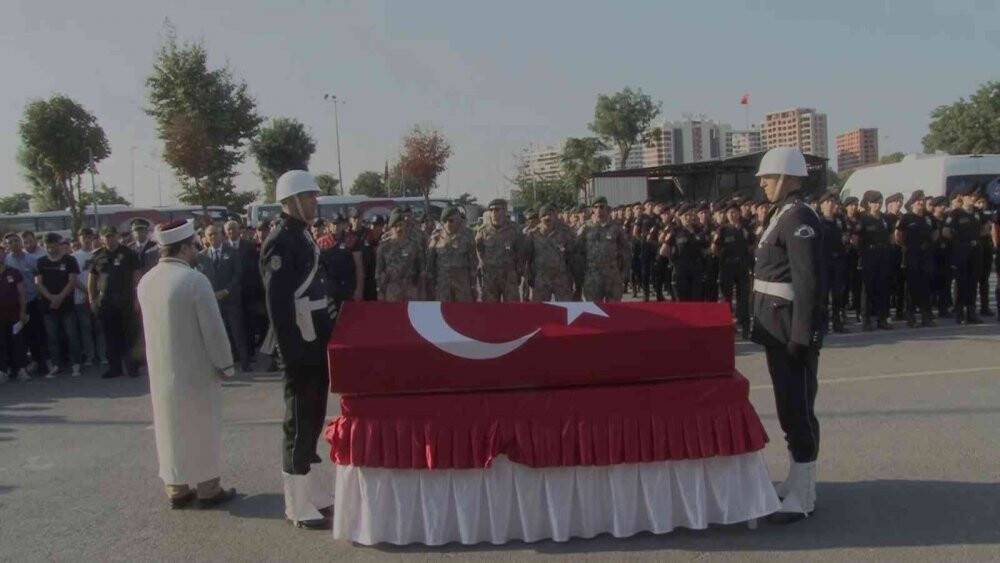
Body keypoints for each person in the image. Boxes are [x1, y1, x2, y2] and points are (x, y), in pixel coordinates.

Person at [138, 219, 237, 510]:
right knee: (201, 427)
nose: (198, 250)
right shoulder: (194, 280)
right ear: (183, 248)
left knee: (169, 429)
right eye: (195, 245)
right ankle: (208, 488)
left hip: (160, 371)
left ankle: (176, 487)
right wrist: (226, 364)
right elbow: (213, 329)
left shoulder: (147, 281)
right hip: (194, 370)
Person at [749, 147, 824, 524]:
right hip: (777, 326)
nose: (761, 183)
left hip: (790, 327)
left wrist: (802, 335)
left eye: (767, 177)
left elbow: (808, 281)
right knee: (788, 410)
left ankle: (804, 495)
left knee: (798, 411)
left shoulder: (799, 217)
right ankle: (796, 482)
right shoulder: (782, 214)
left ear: (787, 178)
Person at [261, 170, 336, 530]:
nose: (313, 203)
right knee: (298, 420)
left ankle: (314, 494)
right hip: (299, 343)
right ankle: (296, 504)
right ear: (289, 202)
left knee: (313, 417)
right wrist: (290, 353)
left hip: (315, 338)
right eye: (307, 197)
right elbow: (278, 305)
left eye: (314, 197)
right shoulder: (280, 241)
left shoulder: (302, 235)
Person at [88, 226, 141, 379]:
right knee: (110, 337)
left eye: (111, 236)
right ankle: (115, 368)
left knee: (130, 336)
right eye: (106, 236)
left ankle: (133, 367)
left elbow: (137, 277)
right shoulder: (97, 256)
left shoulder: (129, 253)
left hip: (126, 301)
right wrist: (91, 299)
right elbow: (92, 280)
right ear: (102, 238)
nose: (109, 239)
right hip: (106, 302)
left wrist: (138, 299)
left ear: (117, 236)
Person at [198, 224, 251, 371]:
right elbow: (200, 278)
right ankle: (224, 364)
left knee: (238, 332)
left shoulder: (232, 252)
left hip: (231, 300)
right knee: (218, 334)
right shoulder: (201, 256)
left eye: (216, 234)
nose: (213, 237)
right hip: (212, 301)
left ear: (222, 235)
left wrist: (227, 290)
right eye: (210, 235)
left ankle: (245, 364)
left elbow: (238, 275)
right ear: (206, 238)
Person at [35, 233, 82, 378]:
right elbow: (38, 283)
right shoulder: (41, 261)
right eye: (47, 245)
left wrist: (60, 297)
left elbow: (72, 281)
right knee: (52, 337)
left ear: (59, 244)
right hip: (48, 306)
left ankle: (76, 364)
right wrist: (51, 298)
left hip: (66, 304)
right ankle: (56, 365)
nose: (50, 248)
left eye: (53, 245)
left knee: (72, 335)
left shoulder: (70, 260)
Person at [5, 232, 46, 373]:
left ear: (20, 242)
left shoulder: (32, 259)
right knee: (20, 336)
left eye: (16, 241)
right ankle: (21, 365)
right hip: (15, 305)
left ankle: (41, 362)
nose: (13, 244)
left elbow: (40, 279)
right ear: (6, 245)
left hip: (32, 301)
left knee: (36, 333)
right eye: (10, 242)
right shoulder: (6, 261)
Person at [942, 189, 983, 324]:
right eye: (970, 195)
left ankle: (971, 312)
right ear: (963, 197)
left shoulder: (977, 213)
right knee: (961, 282)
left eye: (975, 196)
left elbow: (984, 229)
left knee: (973, 282)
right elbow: (945, 232)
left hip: (975, 251)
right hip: (961, 251)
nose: (973, 198)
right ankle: (959, 312)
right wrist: (959, 241)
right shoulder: (955, 213)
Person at [896, 191, 936, 327]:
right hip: (912, 255)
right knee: (912, 287)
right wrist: (905, 246)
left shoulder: (928, 217)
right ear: (913, 202)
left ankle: (926, 316)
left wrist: (930, 243)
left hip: (926, 256)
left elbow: (935, 232)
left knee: (926, 286)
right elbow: (898, 234)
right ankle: (911, 316)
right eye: (918, 200)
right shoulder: (907, 218)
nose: (920, 202)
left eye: (922, 200)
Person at [578, 197, 629, 302]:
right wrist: (580, 273)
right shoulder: (586, 228)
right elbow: (577, 251)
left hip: (612, 274)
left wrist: (623, 272)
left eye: (601, 207)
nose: (598, 210)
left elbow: (626, 250)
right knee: (593, 311)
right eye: (595, 207)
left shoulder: (616, 227)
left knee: (614, 310)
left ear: (607, 209)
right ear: (592, 210)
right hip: (592, 275)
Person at [475, 199, 526, 302]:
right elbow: (479, 251)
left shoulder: (515, 230)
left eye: (497, 210)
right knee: (490, 312)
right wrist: (483, 267)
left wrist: (518, 272)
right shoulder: (483, 231)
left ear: (505, 211)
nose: (494, 213)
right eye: (491, 210)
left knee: (511, 311)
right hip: (490, 278)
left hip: (509, 276)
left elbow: (521, 253)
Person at [525, 204, 578, 301]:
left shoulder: (565, 233)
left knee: (564, 310)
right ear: (540, 218)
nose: (547, 217)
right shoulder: (532, 235)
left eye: (550, 214)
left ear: (555, 217)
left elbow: (572, 256)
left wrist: (572, 277)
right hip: (541, 279)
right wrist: (529, 278)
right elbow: (527, 259)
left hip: (561, 278)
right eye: (544, 215)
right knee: (541, 311)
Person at [857, 191, 893, 330]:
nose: (877, 205)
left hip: (883, 254)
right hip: (869, 255)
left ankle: (882, 318)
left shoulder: (885, 219)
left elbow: (891, 236)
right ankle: (866, 320)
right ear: (869, 204)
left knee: (883, 287)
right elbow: (857, 239)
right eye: (875, 202)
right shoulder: (864, 219)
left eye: (879, 202)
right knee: (868, 289)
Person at [715, 202, 753, 336]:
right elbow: (716, 249)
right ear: (726, 215)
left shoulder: (746, 228)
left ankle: (746, 326)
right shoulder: (722, 230)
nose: (732, 214)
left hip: (742, 267)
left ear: (739, 213)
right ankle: (728, 325)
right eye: (729, 212)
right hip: (727, 267)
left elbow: (752, 246)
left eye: (735, 212)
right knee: (727, 299)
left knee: (743, 298)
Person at [427, 206, 478, 302]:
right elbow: (430, 262)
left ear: (458, 220)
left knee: (463, 313)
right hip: (443, 285)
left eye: (451, 221)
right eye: (444, 221)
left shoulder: (468, 235)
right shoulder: (436, 235)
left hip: (462, 284)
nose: (447, 224)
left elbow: (473, 261)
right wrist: (431, 285)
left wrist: (473, 285)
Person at [375, 210, 424, 302]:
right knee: (393, 315)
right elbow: (378, 272)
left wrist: (421, 289)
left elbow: (421, 268)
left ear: (405, 225)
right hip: (392, 288)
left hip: (410, 288)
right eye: (395, 226)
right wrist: (379, 291)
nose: (398, 228)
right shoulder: (384, 247)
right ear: (390, 228)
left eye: (401, 225)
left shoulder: (414, 245)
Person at [818, 193, 848, 333]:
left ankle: (837, 322)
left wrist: (845, 240)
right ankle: (823, 324)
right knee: (823, 295)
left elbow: (845, 236)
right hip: (824, 261)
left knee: (838, 294)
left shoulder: (839, 220)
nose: (831, 204)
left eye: (833, 202)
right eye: (828, 201)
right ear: (822, 204)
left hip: (838, 261)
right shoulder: (818, 221)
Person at [72, 229, 102, 367]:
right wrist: (87, 292)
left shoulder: (99, 254)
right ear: (79, 238)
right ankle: (90, 356)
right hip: (80, 297)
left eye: (89, 236)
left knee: (99, 327)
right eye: (84, 236)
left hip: (98, 297)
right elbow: (74, 279)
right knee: (86, 328)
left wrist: (95, 294)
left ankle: (102, 355)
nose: (87, 239)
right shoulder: (74, 257)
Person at [0, 245, 29, 383]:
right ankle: (3, 371)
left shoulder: (14, 272)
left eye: (1, 253)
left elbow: (22, 293)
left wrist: (23, 312)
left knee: (17, 342)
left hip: (14, 314)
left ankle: (21, 369)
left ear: (4, 255)